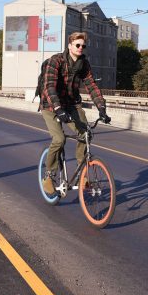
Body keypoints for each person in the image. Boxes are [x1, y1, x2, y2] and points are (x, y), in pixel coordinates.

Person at [39, 31, 111, 194]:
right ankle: (49, 175)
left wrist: (101, 108)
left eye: (83, 46)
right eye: (77, 45)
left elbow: (92, 86)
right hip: (51, 105)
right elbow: (49, 87)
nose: (80, 48)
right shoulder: (56, 61)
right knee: (59, 139)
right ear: (70, 45)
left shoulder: (83, 64)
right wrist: (58, 109)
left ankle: (82, 173)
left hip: (71, 103)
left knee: (86, 133)